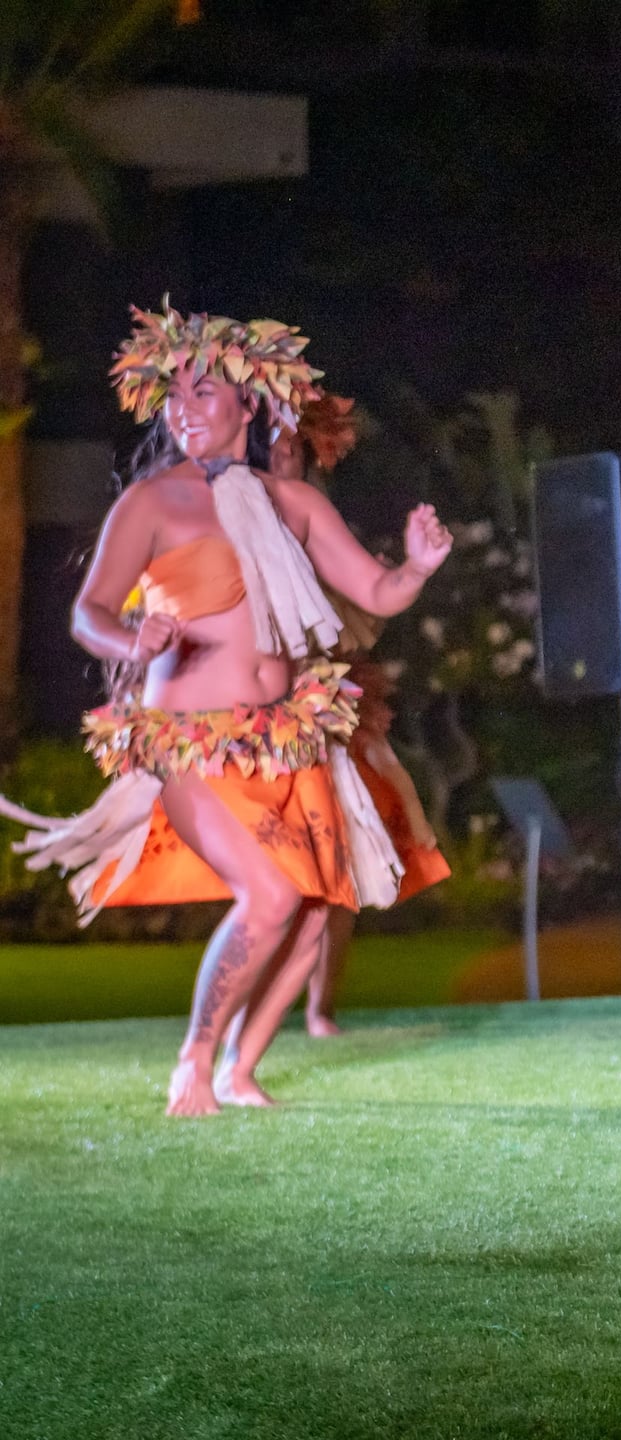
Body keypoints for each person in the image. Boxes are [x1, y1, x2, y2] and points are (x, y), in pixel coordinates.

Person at [0, 303, 449, 1114]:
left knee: (316, 906)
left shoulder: (292, 504)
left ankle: (243, 1071)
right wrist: (133, 639)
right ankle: (193, 1062)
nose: (183, 407)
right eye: (173, 393)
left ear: (251, 404)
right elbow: (88, 613)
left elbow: (375, 590)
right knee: (271, 897)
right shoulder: (152, 504)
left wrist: (415, 567)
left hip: (285, 740)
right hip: (190, 743)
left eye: (203, 391)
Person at [261, 396, 452, 1040]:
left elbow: (372, 596)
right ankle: (247, 1015)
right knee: (269, 877)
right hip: (246, 716)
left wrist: (415, 567)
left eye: (291, 443)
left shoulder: (314, 523)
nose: (279, 451)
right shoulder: (212, 516)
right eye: (269, 439)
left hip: (326, 708)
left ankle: (318, 1007)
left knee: (337, 867)